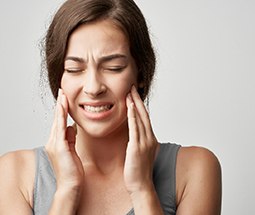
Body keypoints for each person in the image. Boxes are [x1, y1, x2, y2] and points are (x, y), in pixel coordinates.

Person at [0, 0, 222, 214]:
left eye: (113, 68)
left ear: (141, 73)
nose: (93, 88)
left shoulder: (194, 169)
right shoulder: (15, 173)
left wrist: (143, 189)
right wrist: (66, 191)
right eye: (75, 69)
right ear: (58, 78)